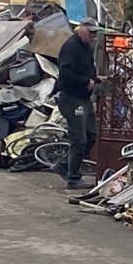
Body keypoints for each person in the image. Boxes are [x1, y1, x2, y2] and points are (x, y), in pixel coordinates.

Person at [54, 17, 101, 189]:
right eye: (91, 32)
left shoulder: (86, 47)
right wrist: (85, 81)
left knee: (90, 135)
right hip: (71, 97)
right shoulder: (71, 47)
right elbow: (66, 73)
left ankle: (64, 166)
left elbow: (87, 69)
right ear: (81, 29)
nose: (93, 36)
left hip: (83, 98)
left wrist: (95, 79)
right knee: (79, 138)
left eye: (95, 33)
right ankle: (73, 177)